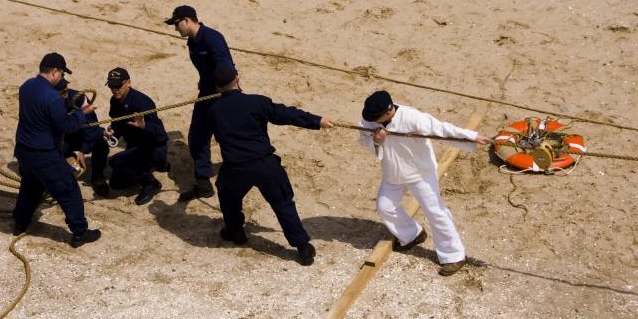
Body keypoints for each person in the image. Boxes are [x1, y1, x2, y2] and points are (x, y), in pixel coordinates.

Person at [208, 65, 334, 266]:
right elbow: (286, 115)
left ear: (216, 86)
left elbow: (201, 138)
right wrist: (316, 121)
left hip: (236, 168)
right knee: (283, 203)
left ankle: (235, 231)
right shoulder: (257, 102)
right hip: (265, 165)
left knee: (227, 195)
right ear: (237, 78)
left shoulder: (213, 110)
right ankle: (302, 247)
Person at [358, 90, 491, 276]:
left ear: (388, 112)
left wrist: (470, 136)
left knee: (435, 211)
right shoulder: (370, 121)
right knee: (385, 207)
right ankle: (412, 234)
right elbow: (363, 137)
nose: (372, 121)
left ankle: (454, 255)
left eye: (376, 118)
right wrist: (376, 141)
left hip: (420, 172)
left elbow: (441, 129)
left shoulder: (413, 117)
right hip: (393, 172)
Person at [13, 53, 101, 248]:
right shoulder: (53, 98)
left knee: (30, 186)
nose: (62, 78)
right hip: (44, 154)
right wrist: (82, 114)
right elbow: (66, 126)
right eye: (61, 74)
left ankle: (20, 222)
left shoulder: (26, 86)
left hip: (23, 150)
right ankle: (80, 232)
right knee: (68, 189)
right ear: (54, 72)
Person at [165, 5, 236, 201]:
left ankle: (243, 170)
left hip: (222, 93)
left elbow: (226, 67)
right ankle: (203, 183)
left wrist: (222, 92)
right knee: (197, 137)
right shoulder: (193, 42)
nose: (175, 28)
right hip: (206, 92)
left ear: (187, 20)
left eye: (177, 24)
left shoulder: (212, 38)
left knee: (229, 136)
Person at [104, 67, 169, 206]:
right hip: (135, 145)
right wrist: (113, 131)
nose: (115, 90)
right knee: (116, 183)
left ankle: (151, 183)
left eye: (118, 86)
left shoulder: (142, 103)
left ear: (128, 83)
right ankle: (152, 166)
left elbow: (161, 134)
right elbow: (117, 123)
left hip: (153, 146)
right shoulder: (115, 101)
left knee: (116, 162)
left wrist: (144, 126)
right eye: (111, 86)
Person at [53, 77, 111, 196]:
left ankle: (97, 176)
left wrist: (83, 151)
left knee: (100, 141)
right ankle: (69, 158)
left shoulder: (79, 98)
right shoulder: (46, 103)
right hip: (62, 138)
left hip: (81, 134)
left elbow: (92, 127)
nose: (65, 92)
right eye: (60, 90)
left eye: (65, 88)